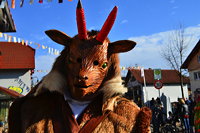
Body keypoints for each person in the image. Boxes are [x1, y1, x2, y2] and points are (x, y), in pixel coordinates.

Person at [7, 0, 152, 133]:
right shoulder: (30, 110)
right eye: (75, 60)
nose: (83, 73)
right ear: (65, 61)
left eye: (98, 64)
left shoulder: (130, 116)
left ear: (108, 67)